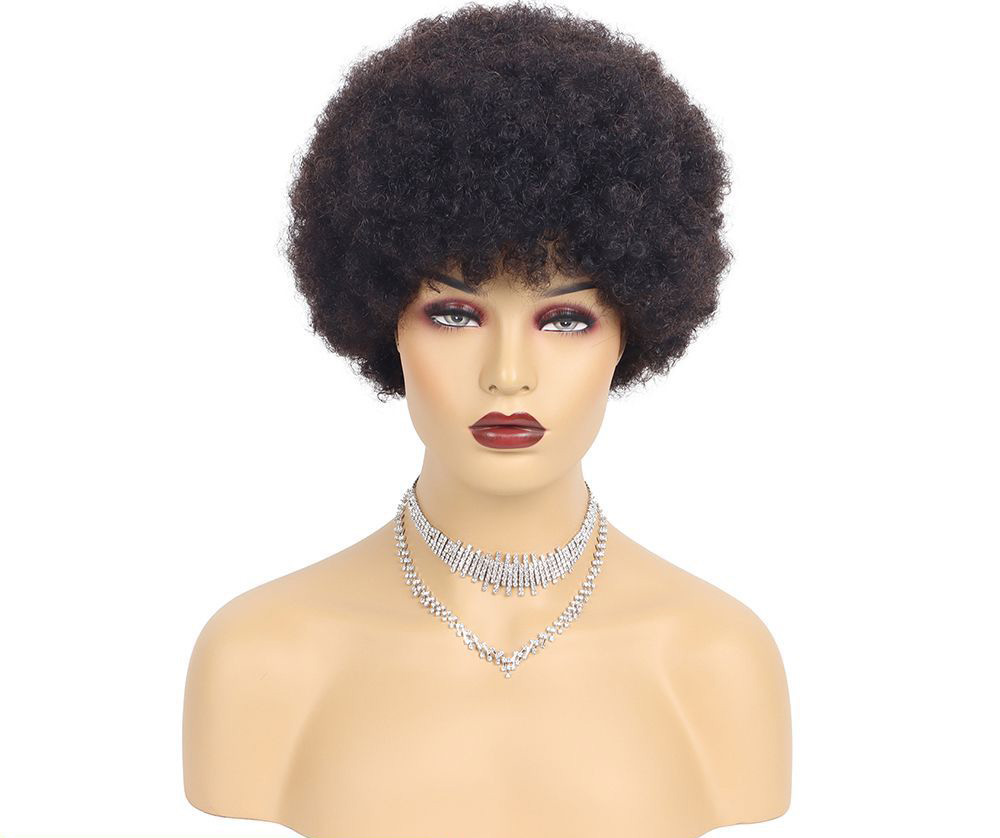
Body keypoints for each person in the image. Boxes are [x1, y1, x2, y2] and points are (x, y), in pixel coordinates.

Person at [183, 3, 792, 836]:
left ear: (633, 329)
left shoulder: (716, 660)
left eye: (565, 320)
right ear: (383, 321)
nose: (508, 374)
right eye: (456, 314)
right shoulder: (261, 657)